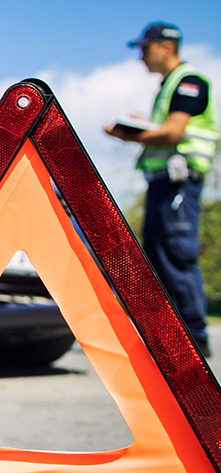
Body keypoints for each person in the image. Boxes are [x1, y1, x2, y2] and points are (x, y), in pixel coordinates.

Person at [105, 22, 219, 357]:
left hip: (178, 184)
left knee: (176, 255)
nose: (141, 56)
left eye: (144, 49)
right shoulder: (169, 85)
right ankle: (171, 339)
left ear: (165, 47)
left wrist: (131, 134)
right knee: (158, 257)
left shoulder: (189, 81)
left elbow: (173, 133)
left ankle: (194, 341)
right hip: (163, 184)